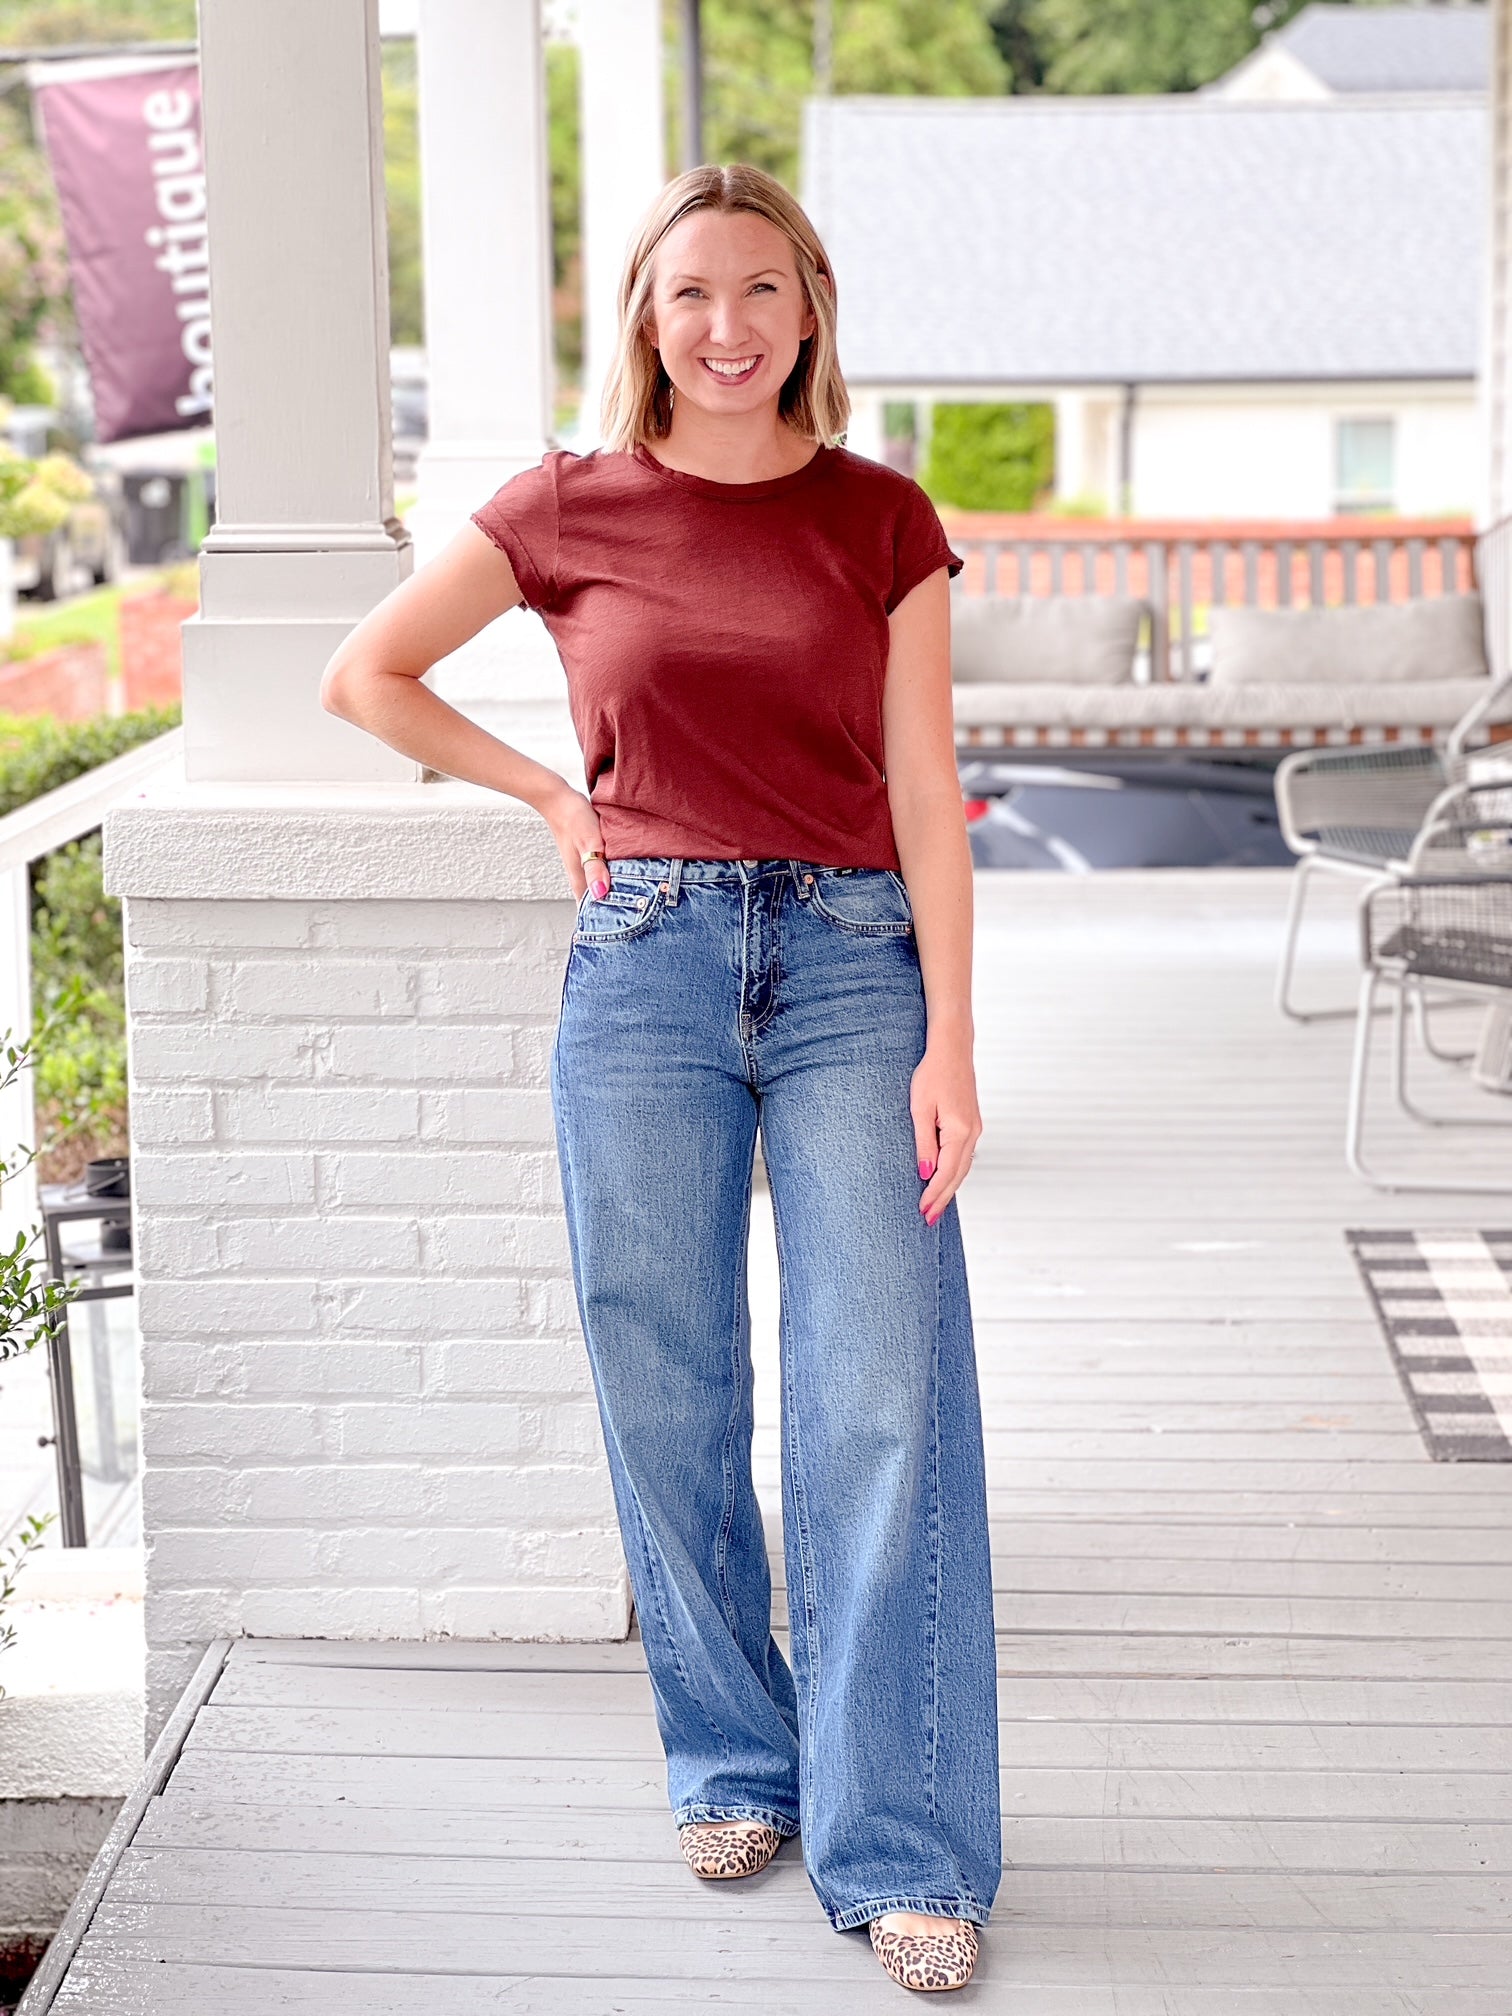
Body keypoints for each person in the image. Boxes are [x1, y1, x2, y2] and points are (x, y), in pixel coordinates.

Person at [321, 161, 1000, 1996]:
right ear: (644, 314)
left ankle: (906, 1843)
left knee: (879, 1399)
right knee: (667, 1383)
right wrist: (553, 795)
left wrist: (955, 1034)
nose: (727, 325)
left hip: (859, 971)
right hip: (647, 968)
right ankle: (731, 1759)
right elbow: (366, 673)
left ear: (811, 314)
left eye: (762, 291)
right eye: (691, 292)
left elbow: (928, 793)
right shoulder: (563, 503)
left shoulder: (882, 519)